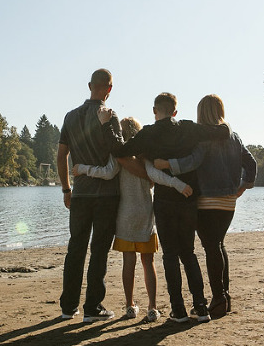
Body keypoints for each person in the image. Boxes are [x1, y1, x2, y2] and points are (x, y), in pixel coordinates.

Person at [113, 92, 229, 323]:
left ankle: (178, 310)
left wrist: (110, 128)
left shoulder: (148, 132)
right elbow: (223, 132)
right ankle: (201, 307)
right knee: (189, 253)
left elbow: (120, 151)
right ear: (175, 111)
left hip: (165, 201)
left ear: (155, 111)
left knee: (170, 256)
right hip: (188, 199)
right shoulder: (188, 128)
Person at [73, 117, 193, 323]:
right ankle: (152, 307)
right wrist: (178, 184)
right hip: (145, 214)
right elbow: (157, 176)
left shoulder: (118, 157)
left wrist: (83, 168)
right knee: (149, 263)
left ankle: (129, 305)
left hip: (124, 215)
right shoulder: (144, 159)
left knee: (128, 262)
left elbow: (107, 173)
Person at [155, 94, 256, 319]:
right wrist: (242, 187)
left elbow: (192, 162)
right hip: (229, 201)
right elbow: (251, 163)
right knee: (219, 245)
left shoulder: (203, 139)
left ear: (202, 113)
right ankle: (225, 296)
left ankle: (218, 298)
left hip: (207, 200)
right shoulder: (235, 136)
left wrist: (167, 164)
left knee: (211, 247)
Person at [57, 68, 123, 322]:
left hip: (81, 195)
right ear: (109, 89)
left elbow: (62, 154)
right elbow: (117, 151)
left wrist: (66, 188)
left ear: (89, 86)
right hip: (106, 195)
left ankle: (68, 307)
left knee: (76, 248)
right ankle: (92, 307)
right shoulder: (110, 116)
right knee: (99, 251)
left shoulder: (71, 117)